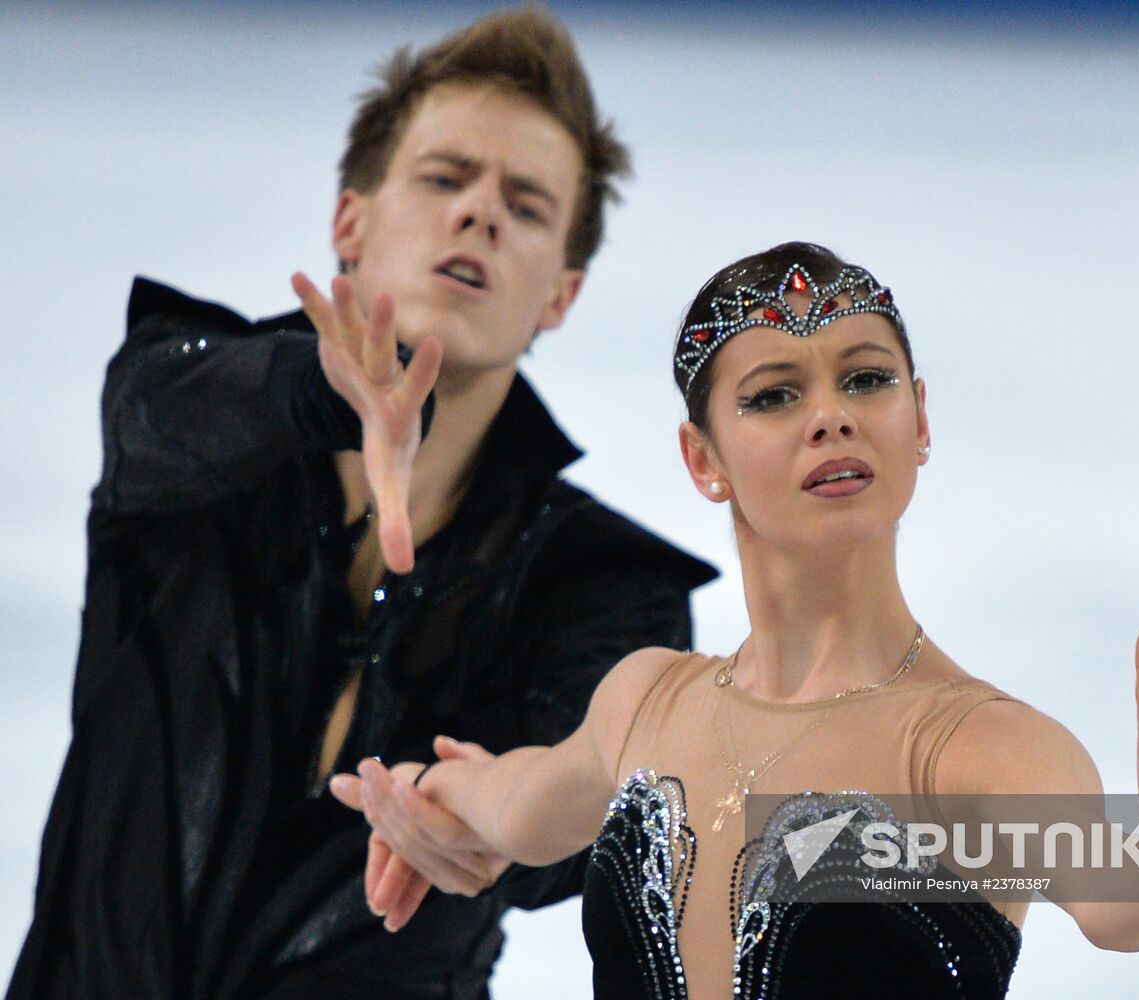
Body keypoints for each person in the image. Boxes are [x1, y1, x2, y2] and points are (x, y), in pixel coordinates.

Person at [332, 241, 1139, 999]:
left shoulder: (976, 751)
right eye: (774, 394)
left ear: (920, 419)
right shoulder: (645, 702)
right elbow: (512, 804)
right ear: (704, 459)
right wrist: (412, 799)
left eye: (866, 380)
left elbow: (1118, 901)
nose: (831, 418)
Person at [6, 8, 714, 1000]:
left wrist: (496, 815)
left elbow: (598, 797)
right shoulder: (185, 419)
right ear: (352, 222)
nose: (480, 213)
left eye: (525, 202)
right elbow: (161, 409)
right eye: (444, 177)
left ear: (560, 294)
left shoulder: (603, 588)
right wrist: (331, 396)